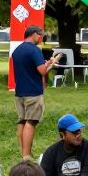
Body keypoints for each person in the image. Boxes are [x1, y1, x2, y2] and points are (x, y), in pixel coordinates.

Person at [13, 25, 59, 159]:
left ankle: (23, 152)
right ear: (33, 34)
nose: (41, 37)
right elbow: (42, 71)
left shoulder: (17, 50)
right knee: (31, 122)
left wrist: (45, 63)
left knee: (22, 121)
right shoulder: (35, 50)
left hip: (19, 92)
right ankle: (26, 155)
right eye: (41, 34)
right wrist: (51, 64)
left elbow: (29, 67)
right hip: (33, 92)